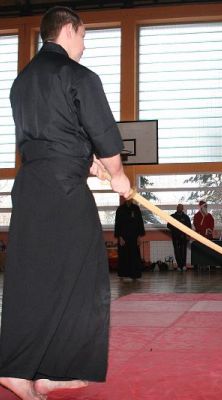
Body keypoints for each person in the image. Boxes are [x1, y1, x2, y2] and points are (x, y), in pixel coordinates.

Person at [0, 6, 131, 400]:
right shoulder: (78, 76)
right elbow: (102, 131)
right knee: (85, 273)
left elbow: (49, 137)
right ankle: (29, 369)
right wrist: (118, 174)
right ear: (69, 29)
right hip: (63, 191)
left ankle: (42, 371)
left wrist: (86, 163)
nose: (85, 45)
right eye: (84, 35)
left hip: (31, 186)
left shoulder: (22, 82)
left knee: (33, 275)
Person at [114, 199, 145, 280]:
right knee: (123, 256)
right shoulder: (120, 209)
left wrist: (139, 237)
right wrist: (120, 237)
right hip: (123, 237)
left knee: (134, 256)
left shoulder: (136, 208)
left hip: (134, 237)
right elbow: (117, 224)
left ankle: (135, 275)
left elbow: (140, 222)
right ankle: (124, 274)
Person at [167, 204, 191, 271]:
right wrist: (174, 228)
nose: (180, 208)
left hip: (184, 237)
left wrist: (188, 236)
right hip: (175, 237)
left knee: (183, 252)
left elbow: (189, 227)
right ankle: (179, 266)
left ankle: (184, 265)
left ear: (183, 209)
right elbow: (168, 225)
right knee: (177, 252)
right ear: (177, 208)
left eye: (181, 207)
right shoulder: (172, 216)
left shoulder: (186, 217)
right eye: (179, 207)